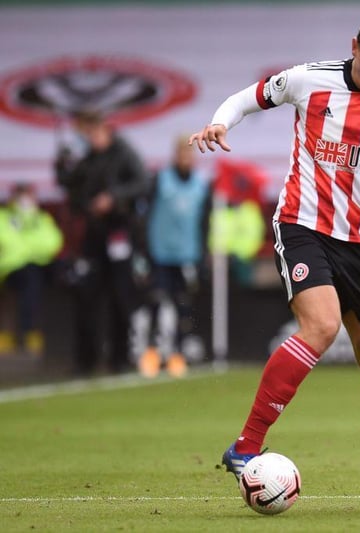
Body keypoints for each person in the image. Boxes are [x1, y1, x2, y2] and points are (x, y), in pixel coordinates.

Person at [189, 9, 360, 511]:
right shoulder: (310, 79)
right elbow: (249, 97)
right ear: (354, 45)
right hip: (303, 224)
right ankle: (245, 446)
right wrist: (221, 121)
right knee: (321, 327)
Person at [55, 109, 150, 375]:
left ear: (105, 130)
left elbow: (142, 182)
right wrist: (62, 164)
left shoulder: (124, 153)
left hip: (119, 232)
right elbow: (70, 185)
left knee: (121, 296)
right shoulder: (88, 158)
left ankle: (119, 358)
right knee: (86, 295)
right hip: (94, 235)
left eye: (95, 132)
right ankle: (86, 359)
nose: (92, 138)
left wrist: (113, 197)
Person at [138, 135, 211, 379]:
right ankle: (151, 352)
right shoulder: (161, 180)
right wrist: (144, 250)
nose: (185, 158)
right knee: (156, 302)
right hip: (160, 252)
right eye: (182, 153)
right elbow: (145, 215)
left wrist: (202, 255)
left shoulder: (201, 185)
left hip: (186, 254)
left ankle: (177, 354)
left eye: (189, 154)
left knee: (183, 305)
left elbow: (204, 223)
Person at [0, 183, 63, 357]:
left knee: (61, 272)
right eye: (21, 196)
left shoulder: (41, 218)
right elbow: (7, 242)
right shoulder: (3, 217)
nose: (25, 201)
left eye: (28, 196)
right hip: (9, 269)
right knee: (29, 278)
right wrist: (31, 248)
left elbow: (54, 242)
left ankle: (50, 333)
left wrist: (27, 247)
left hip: (40, 266)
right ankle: (27, 331)